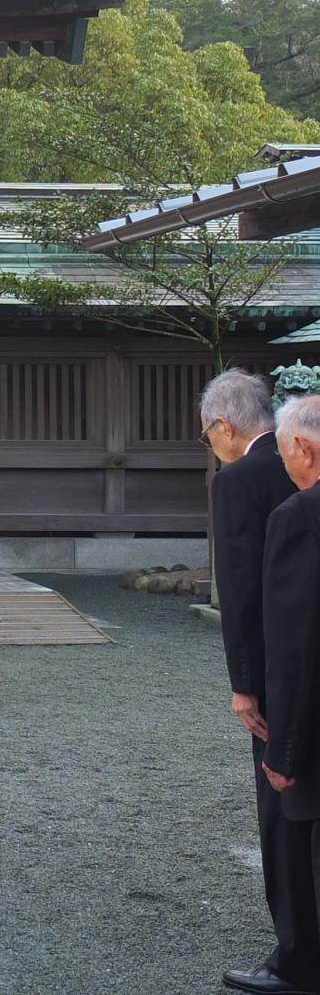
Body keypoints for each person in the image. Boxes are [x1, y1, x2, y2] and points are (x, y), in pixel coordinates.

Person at [204, 373, 318, 995]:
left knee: (282, 809)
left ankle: (295, 956)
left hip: (282, 670)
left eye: (207, 434)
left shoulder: (239, 479)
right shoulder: (302, 461)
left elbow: (242, 590)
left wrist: (244, 685)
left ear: (224, 426)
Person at [262, 396, 320, 995]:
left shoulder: (300, 515)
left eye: (283, 453)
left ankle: (303, 968)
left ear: (302, 448)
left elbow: (296, 643)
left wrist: (284, 747)